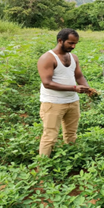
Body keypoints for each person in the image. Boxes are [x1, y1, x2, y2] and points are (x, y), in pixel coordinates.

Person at [37, 28, 90, 157]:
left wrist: (87, 88)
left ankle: (71, 158)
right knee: (50, 136)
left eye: (75, 43)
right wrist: (74, 88)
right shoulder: (47, 58)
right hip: (53, 103)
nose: (73, 46)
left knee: (71, 134)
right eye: (70, 43)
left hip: (72, 101)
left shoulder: (73, 57)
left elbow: (79, 76)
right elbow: (47, 83)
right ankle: (42, 166)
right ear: (60, 41)